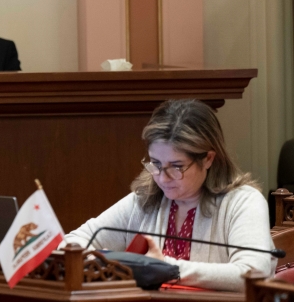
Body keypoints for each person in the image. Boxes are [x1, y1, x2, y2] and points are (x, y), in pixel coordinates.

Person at [62, 99, 275, 292]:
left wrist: (168, 268)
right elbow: (72, 242)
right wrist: (106, 262)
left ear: (208, 159)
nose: (162, 178)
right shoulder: (145, 199)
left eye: (176, 166)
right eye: (155, 164)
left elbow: (253, 273)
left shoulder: (243, 202)